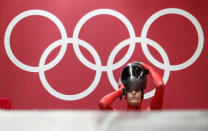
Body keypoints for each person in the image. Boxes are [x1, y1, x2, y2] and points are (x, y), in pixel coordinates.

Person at [99, 62, 165, 110]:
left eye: (137, 90)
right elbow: (103, 104)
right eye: (129, 90)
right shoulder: (119, 118)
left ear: (142, 94)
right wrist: (121, 90)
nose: (133, 93)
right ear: (125, 95)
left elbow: (160, 85)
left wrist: (147, 67)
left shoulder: (151, 113)